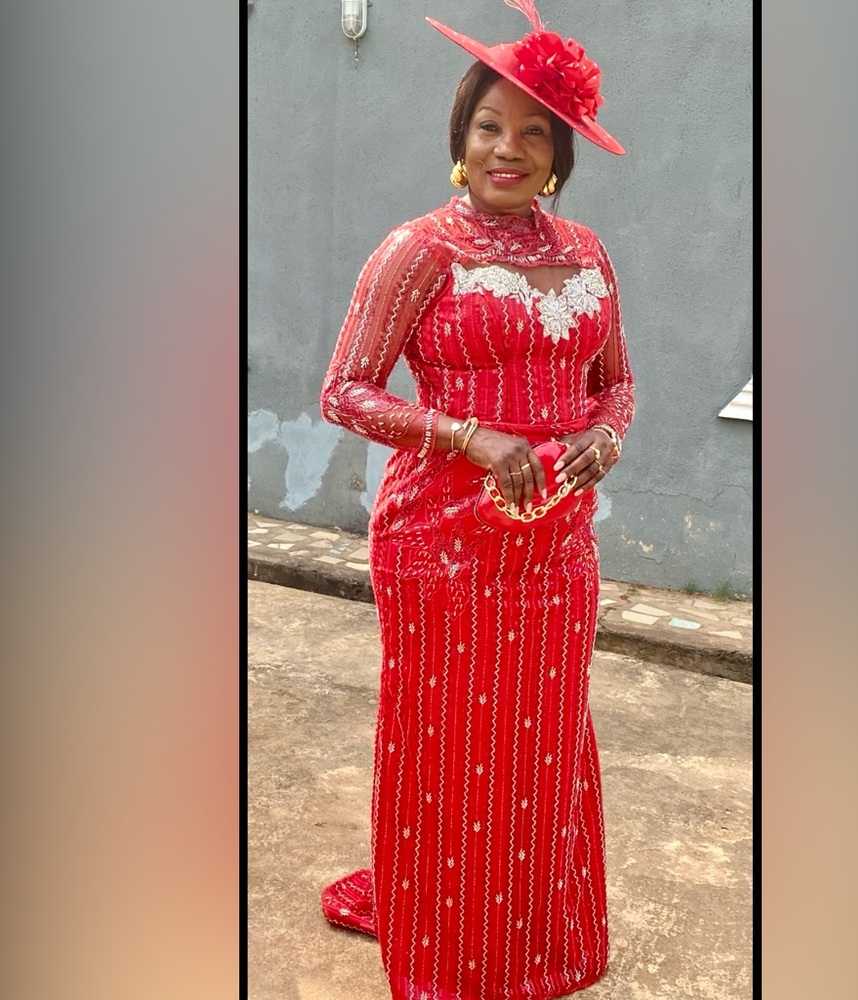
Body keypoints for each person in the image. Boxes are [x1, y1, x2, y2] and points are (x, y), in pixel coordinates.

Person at [318, 3, 634, 997]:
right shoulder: (418, 249)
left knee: (540, 744)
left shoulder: (587, 251)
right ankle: (452, 951)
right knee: (453, 745)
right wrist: (467, 434)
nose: (509, 148)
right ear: (461, 138)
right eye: (490, 126)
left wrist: (603, 437)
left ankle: (538, 943)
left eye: (534, 132)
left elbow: (616, 383)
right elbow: (345, 391)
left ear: (558, 157)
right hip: (440, 545)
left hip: (558, 549)